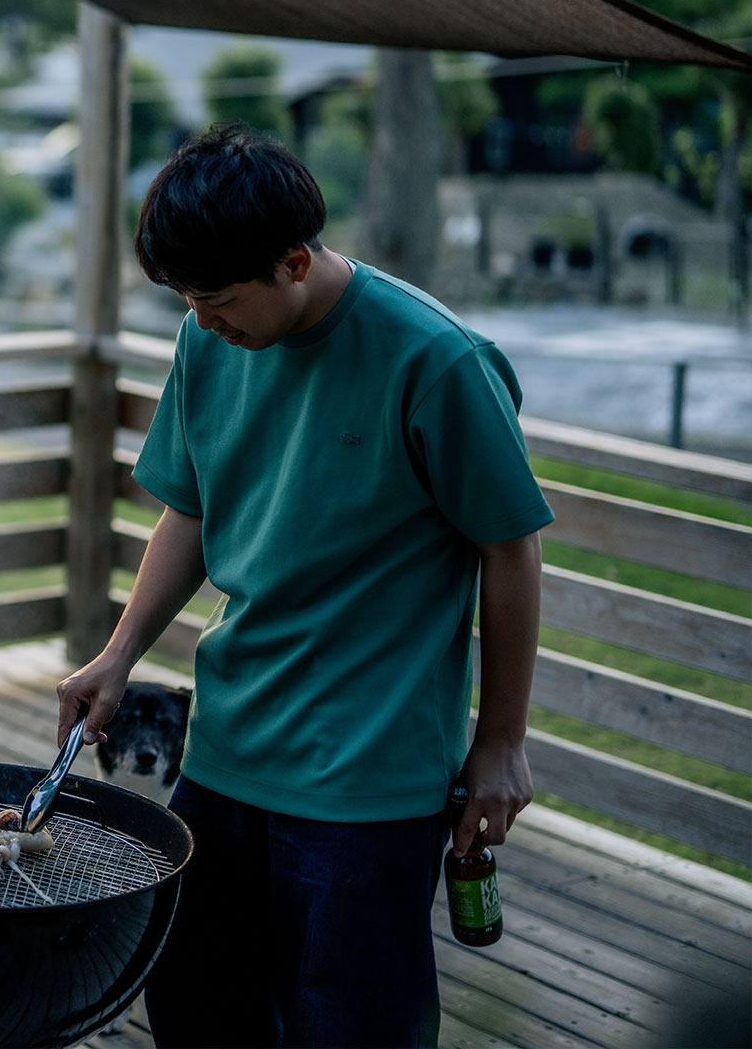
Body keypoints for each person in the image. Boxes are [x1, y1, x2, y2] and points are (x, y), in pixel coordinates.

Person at [56, 126, 551, 1048]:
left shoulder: (436, 361)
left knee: (351, 1028)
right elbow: (193, 511)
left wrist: (502, 740)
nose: (201, 321)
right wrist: (118, 656)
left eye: (215, 298)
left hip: (370, 776)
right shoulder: (209, 339)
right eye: (186, 301)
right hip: (229, 747)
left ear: (292, 262)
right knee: (200, 1012)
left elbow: (510, 551)